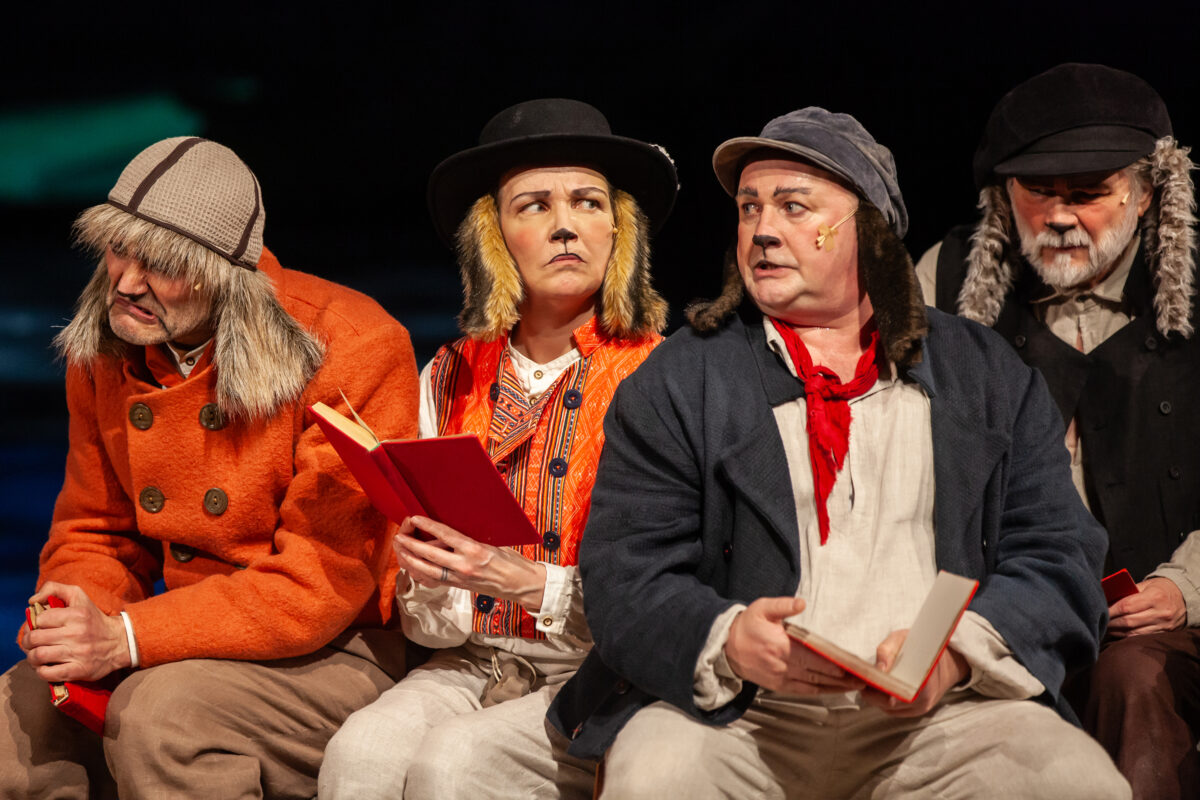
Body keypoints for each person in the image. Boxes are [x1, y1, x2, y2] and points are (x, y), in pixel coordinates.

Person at [546, 107, 1130, 799]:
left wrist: (956, 655)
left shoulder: (984, 374)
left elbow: (1058, 554)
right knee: (657, 775)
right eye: (750, 208)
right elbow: (626, 573)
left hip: (944, 713)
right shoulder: (681, 380)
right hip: (742, 714)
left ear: (870, 232)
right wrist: (729, 639)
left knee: (1075, 780)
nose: (763, 230)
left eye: (794, 207)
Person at [0, 136, 420, 799]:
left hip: (341, 646)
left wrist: (127, 636)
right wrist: (71, 614)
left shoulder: (352, 344)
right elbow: (96, 530)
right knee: (15, 722)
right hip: (183, 631)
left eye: (162, 264)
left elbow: (321, 581)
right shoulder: (108, 345)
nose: (127, 283)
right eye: (118, 250)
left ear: (224, 275)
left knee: (165, 720)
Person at [318, 98, 677, 799]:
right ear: (495, 238)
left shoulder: (665, 376)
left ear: (618, 228)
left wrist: (528, 582)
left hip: (603, 674)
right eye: (534, 206)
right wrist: (428, 570)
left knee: (453, 766)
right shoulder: (449, 374)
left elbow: (669, 589)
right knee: (359, 756)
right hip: (470, 661)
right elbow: (431, 623)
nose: (566, 225)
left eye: (588, 202)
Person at [915, 63, 1200, 799]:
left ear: (1147, 192)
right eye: (1038, 191)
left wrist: (1186, 585)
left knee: (1129, 680)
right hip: (994, 600)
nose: (1060, 216)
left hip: (1159, 619)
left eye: (1089, 193)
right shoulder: (943, 281)